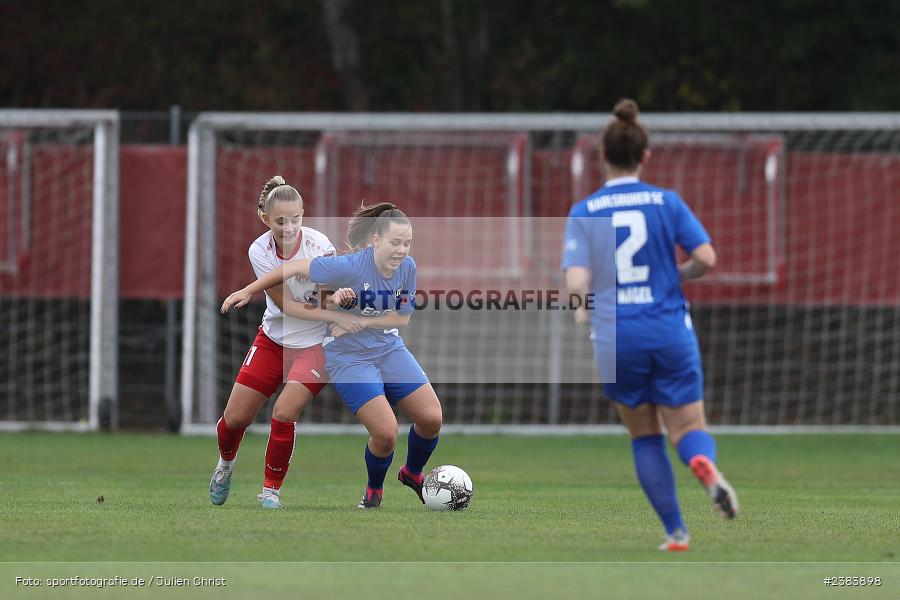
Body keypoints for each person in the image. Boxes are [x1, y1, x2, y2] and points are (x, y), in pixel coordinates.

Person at [561, 99, 739, 551]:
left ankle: (676, 532)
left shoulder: (585, 210)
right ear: (645, 155)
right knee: (688, 427)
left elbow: (577, 281)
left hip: (618, 337)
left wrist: (582, 305)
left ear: (602, 155)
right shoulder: (667, 201)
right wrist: (677, 275)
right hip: (668, 329)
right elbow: (706, 258)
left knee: (645, 437)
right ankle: (701, 462)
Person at [221, 202, 442, 509]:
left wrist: (361, 321)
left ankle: (411, 473)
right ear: (376, 241)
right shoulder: (349, 266)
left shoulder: (408, 268)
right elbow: (291, 269)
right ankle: (373, 491)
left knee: (432, 419)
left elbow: (401, 318)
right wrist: (249, 290)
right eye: (395, 242)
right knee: (386, 434)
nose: (402, 250)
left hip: (388, 348)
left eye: (407, 243)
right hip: (348, 358)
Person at [209, 175, 365, 510]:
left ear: (303, 215)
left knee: (284, 411)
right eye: (281, 221)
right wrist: (333, 312)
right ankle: (225, 464)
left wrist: (339, 298)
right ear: (265, 218)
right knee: (235, 419)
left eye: (296, 219)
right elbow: (289, 307)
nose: (290, 228)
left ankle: (270, 491)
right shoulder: (259, 250)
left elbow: (325, 297)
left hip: (316, 346)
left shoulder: (319, 245)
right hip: (273, 340)